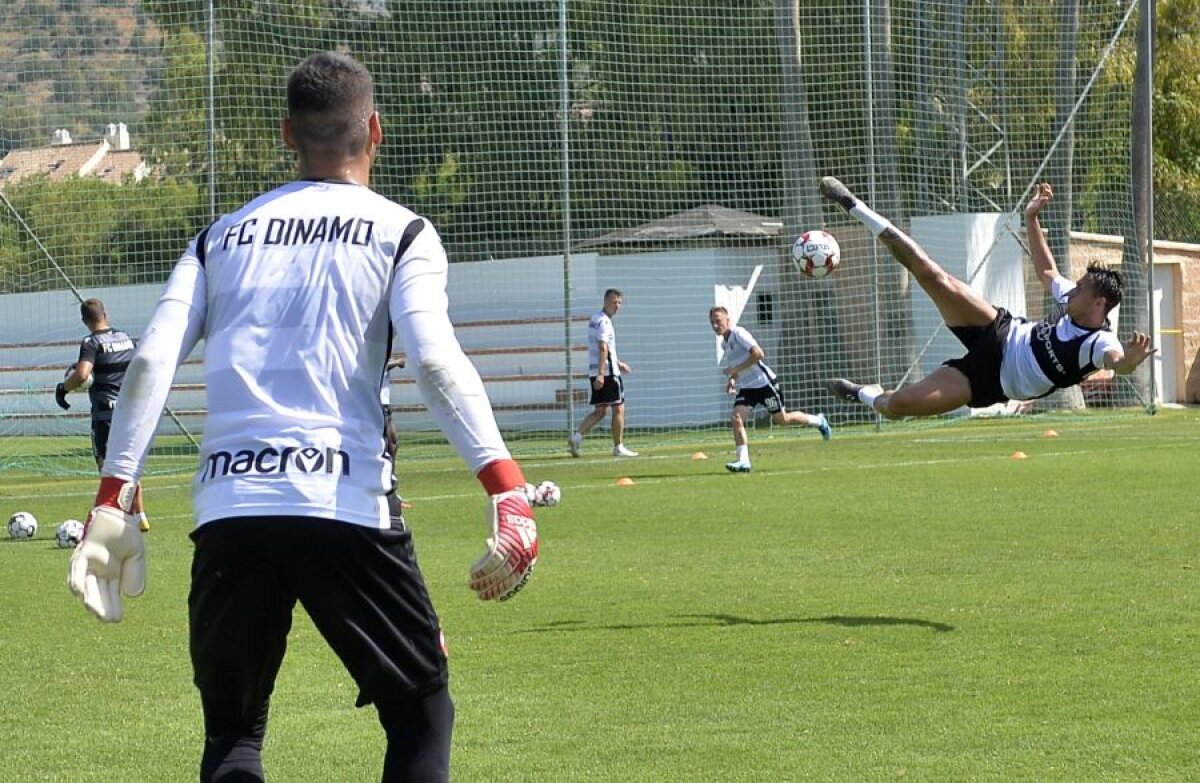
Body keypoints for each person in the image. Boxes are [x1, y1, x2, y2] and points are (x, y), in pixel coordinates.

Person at [65, 52, 539, 783]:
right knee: (419, 713)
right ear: (374, 129)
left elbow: (153, 364)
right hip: (343, 499)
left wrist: (112, 493)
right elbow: (437, 362)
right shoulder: (402, 231)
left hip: (230, 505)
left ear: (289, 134)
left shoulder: (218, 237)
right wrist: (505, 485)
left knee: (234, 736)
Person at [820, 177, 1156, 417]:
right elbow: (1047, 272)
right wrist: (1031, 218)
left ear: (1100, 304)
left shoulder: (1100, 342)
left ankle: (863, 393)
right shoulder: (1073, 300)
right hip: (999, 330)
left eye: (1082, 288)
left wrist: (1130, 360)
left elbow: (1117, 363)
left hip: (990, 381)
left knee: (898, 406)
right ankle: (854, 205)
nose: (1074, 288)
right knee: (933, 275)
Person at [55, 298, 150, 532]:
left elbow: (82, 374)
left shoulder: (91, 342)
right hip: (129, 410)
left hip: (105, 414)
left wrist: (63, 389)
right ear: (105, 314)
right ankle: (140, 516)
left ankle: (118, 520)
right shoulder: (125, 338)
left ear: (84, 320)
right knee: (129, 464)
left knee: (107, 467)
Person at [709, 306, 831, 473]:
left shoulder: (739, 334)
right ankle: (743, 461)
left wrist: (735, 370)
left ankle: (818, 421)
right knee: (736, 418)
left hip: (765, 384)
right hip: (748, 388)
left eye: (718, 321)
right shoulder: (725, 344)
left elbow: (758, 354)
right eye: (712, 323)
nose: (715, 326)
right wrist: (732, 379)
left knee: (783, 420)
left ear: (727, 320)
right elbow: (738, 366)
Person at [568, 288, 638, 457]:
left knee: (600, 410)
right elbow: (602, 347)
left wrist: (617, 362)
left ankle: (576, 437)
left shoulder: (595, 319)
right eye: (614, 302)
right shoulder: (604, 322)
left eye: (619, 303)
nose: (617, 306)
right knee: (619, 408)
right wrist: (602, 373)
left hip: (597, 371)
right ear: (605, 301)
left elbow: (602, 349)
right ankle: (618, 446)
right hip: (607, 374)